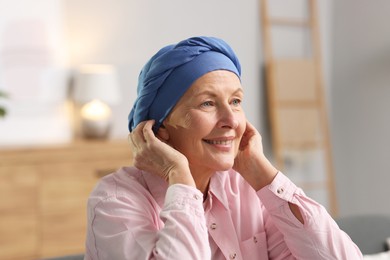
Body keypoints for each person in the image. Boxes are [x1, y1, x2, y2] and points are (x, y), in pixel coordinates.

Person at [84, 36, 362, 259]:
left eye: (236, 101)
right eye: (207, 103)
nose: (231, 120)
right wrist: (179, 178)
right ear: (162, 127)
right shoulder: (115, 202)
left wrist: (265, 176)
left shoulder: (245, 189)